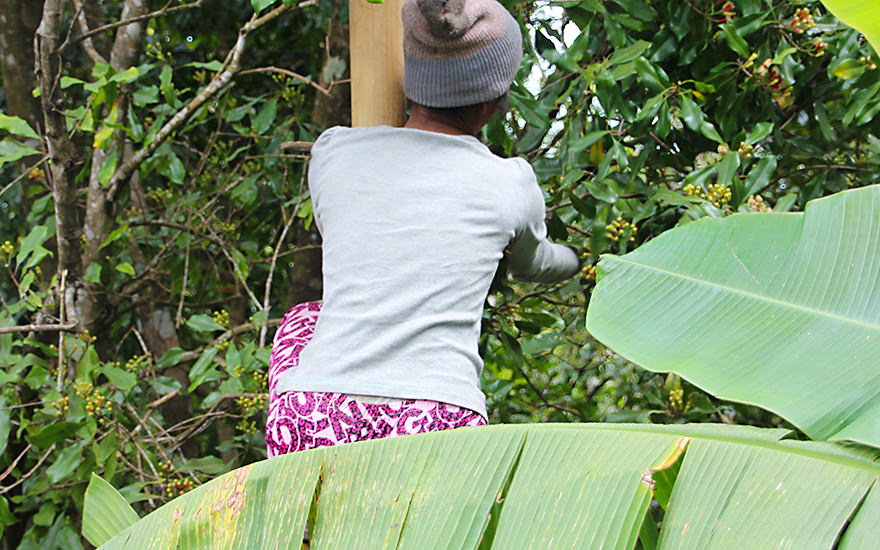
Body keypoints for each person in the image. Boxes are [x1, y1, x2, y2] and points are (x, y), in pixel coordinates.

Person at [264, 0, 580, 456]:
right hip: (436, 424)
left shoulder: (333, 153)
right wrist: (578, 261)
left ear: (411, 78)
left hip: (314, 416)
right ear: (497, 98)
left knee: (304, 318)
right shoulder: (509, 183)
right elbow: (536, 264)